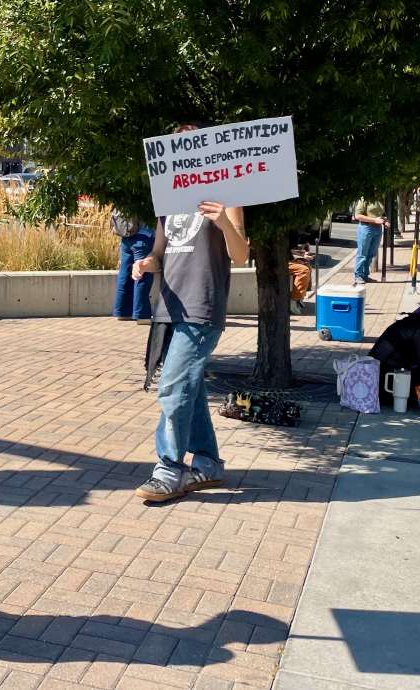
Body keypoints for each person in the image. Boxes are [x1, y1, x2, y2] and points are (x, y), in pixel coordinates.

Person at [132, 123, 249, 503]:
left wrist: (223, 222)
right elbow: (161, 252)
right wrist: (147, 263)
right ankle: (209, 464)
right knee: (190, 388)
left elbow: (241, 254)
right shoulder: (168, 199)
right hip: (170, 305)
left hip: (202, 305)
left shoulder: (227, 194)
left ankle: (169, 468)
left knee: (174, 386)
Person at [111, 210, 155, 322]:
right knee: (142, 273)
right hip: (144, 235)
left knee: (124, 274)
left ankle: (122, 311)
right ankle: (142, 314)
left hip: (126, 235)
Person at [352, 197, 387, 286]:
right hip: (366, 228)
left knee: (371, 254)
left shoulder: (380, 198)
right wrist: (374, 220)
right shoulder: (364, 198)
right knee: (362, 253)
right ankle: (358, 275)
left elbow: (381, 214)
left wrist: (385, 221)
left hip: (377, 228)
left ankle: (365, 275)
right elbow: (358, 216)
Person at [288, 242, 314, 315]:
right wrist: (301, 256)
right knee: (303, 270)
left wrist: (301, 255)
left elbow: (287, 250)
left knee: (307, 265)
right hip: (276, 261)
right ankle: (294, 299)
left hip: (285, 259)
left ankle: (300, 297)